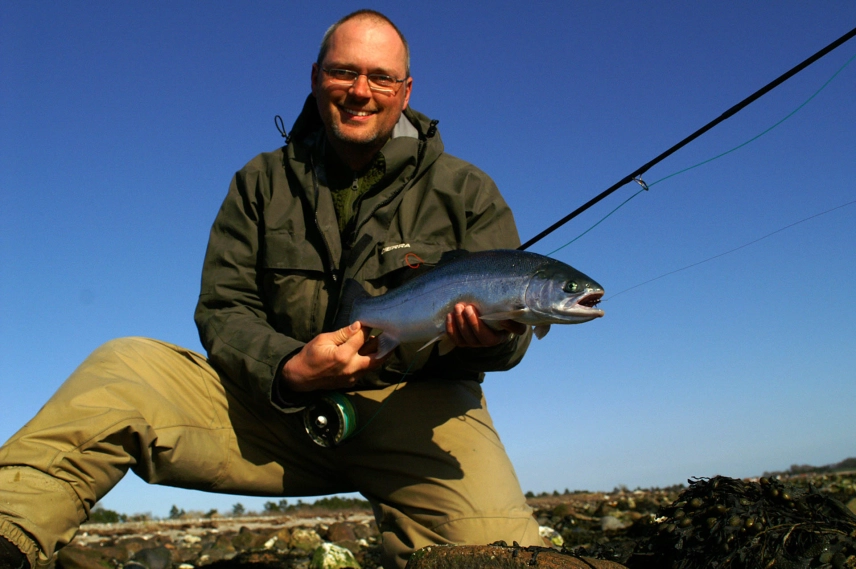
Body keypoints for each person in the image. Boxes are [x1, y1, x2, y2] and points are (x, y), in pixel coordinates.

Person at [0, 10, 542, 569]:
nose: (361, 91)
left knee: (501, 554)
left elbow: (515, 337)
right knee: (121, 370)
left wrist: (491, 339)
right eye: (343, 72)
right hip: (272, 408)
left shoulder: (468, 190)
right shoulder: (259, 182)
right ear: (315, 78)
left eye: (380, 77)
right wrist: (287, 367)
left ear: (405, 92)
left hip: (418, 417)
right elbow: (223, 306)